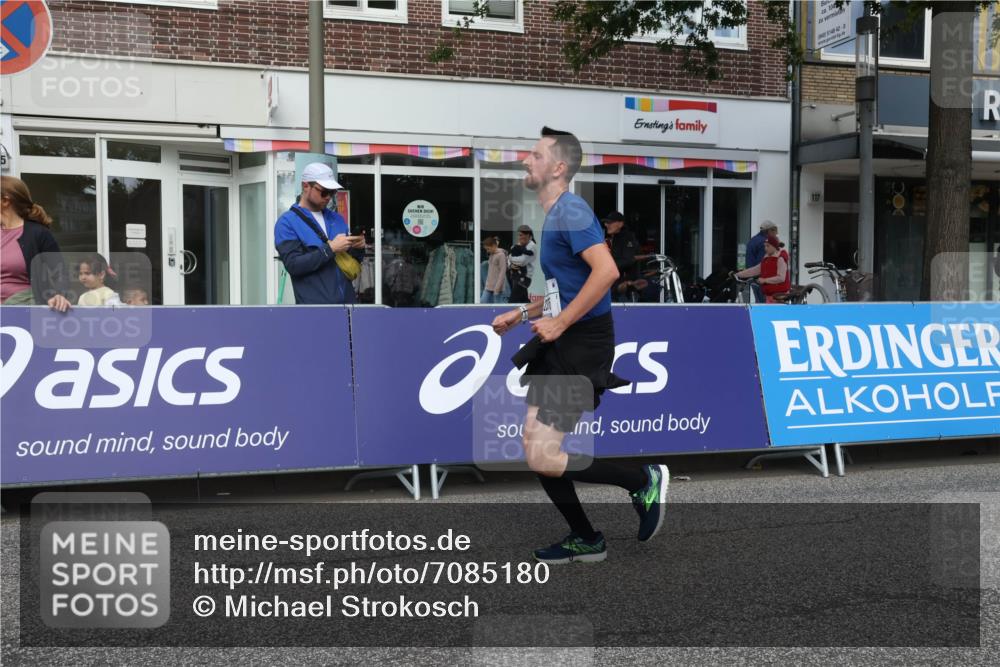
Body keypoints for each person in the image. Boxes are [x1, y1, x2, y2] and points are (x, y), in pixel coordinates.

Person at [491, 127, 669, 565]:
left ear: (558, 167)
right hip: (563, 336)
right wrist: (523, 315)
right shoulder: (555, 217)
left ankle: (641, 479)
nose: (525, 161)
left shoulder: (571, 211)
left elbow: (606, 273)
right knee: (536, 449)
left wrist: (561, 323)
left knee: (542, 452)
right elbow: (561, 292)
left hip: (582, 341)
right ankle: (585, 537)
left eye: (534, 155)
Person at [274, 162, 365, 304]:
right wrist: (331, 249)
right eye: (324, 191)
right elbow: (293, 265)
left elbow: (351, 262)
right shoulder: (286, 222)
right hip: (314, 312)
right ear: (306, 186)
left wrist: (358, 248)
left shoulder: (337, 219)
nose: (328, 197)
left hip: (347, 307)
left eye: (332, 192)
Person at [0, 176, 71, 311]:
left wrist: (59, 295)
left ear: (5, 201)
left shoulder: (38, 233)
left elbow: (60, 272)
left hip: (23, 310)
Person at [735, 232, 790, 303]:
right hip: (769, 295)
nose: (765, 248)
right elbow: (755, 270)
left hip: (780, 297)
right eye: (764, 246)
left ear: (774, 246)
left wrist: (765, 280)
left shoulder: (780, 259)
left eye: (768, 246)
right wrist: (738, 274)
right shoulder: (767, 259)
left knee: (776, 314)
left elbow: (781, 278)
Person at [602, 211, 640, 302]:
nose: (606, 225)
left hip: (625, 290)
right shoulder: (614, 238)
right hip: (614, 286)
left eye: (610, 222)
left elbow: (628, 260)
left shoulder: (628, 238)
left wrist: (606, 266)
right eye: (606, 222)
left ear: (620, 224)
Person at [507, 224, 537, 303]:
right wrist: (511, 265)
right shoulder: (519, 244)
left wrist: (511, 258)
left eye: (522, 235)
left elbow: (522, 261)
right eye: (519, 235)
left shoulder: (531, 246)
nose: (520, 238)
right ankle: (533, 313)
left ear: (529, 236)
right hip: (515, 276)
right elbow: (509, 256)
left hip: (524, 278)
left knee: (512, 301)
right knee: (524, 301)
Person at [481, 236, 508, 304]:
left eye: (488, 249)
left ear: (494, 246)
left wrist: (498, 287)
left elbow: (502, 272)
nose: (487, 251)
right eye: (486, 249)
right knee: (482, 303)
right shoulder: (491, 255)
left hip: (497, 288)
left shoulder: (501, 255)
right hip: (488, 287)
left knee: (497, 307)